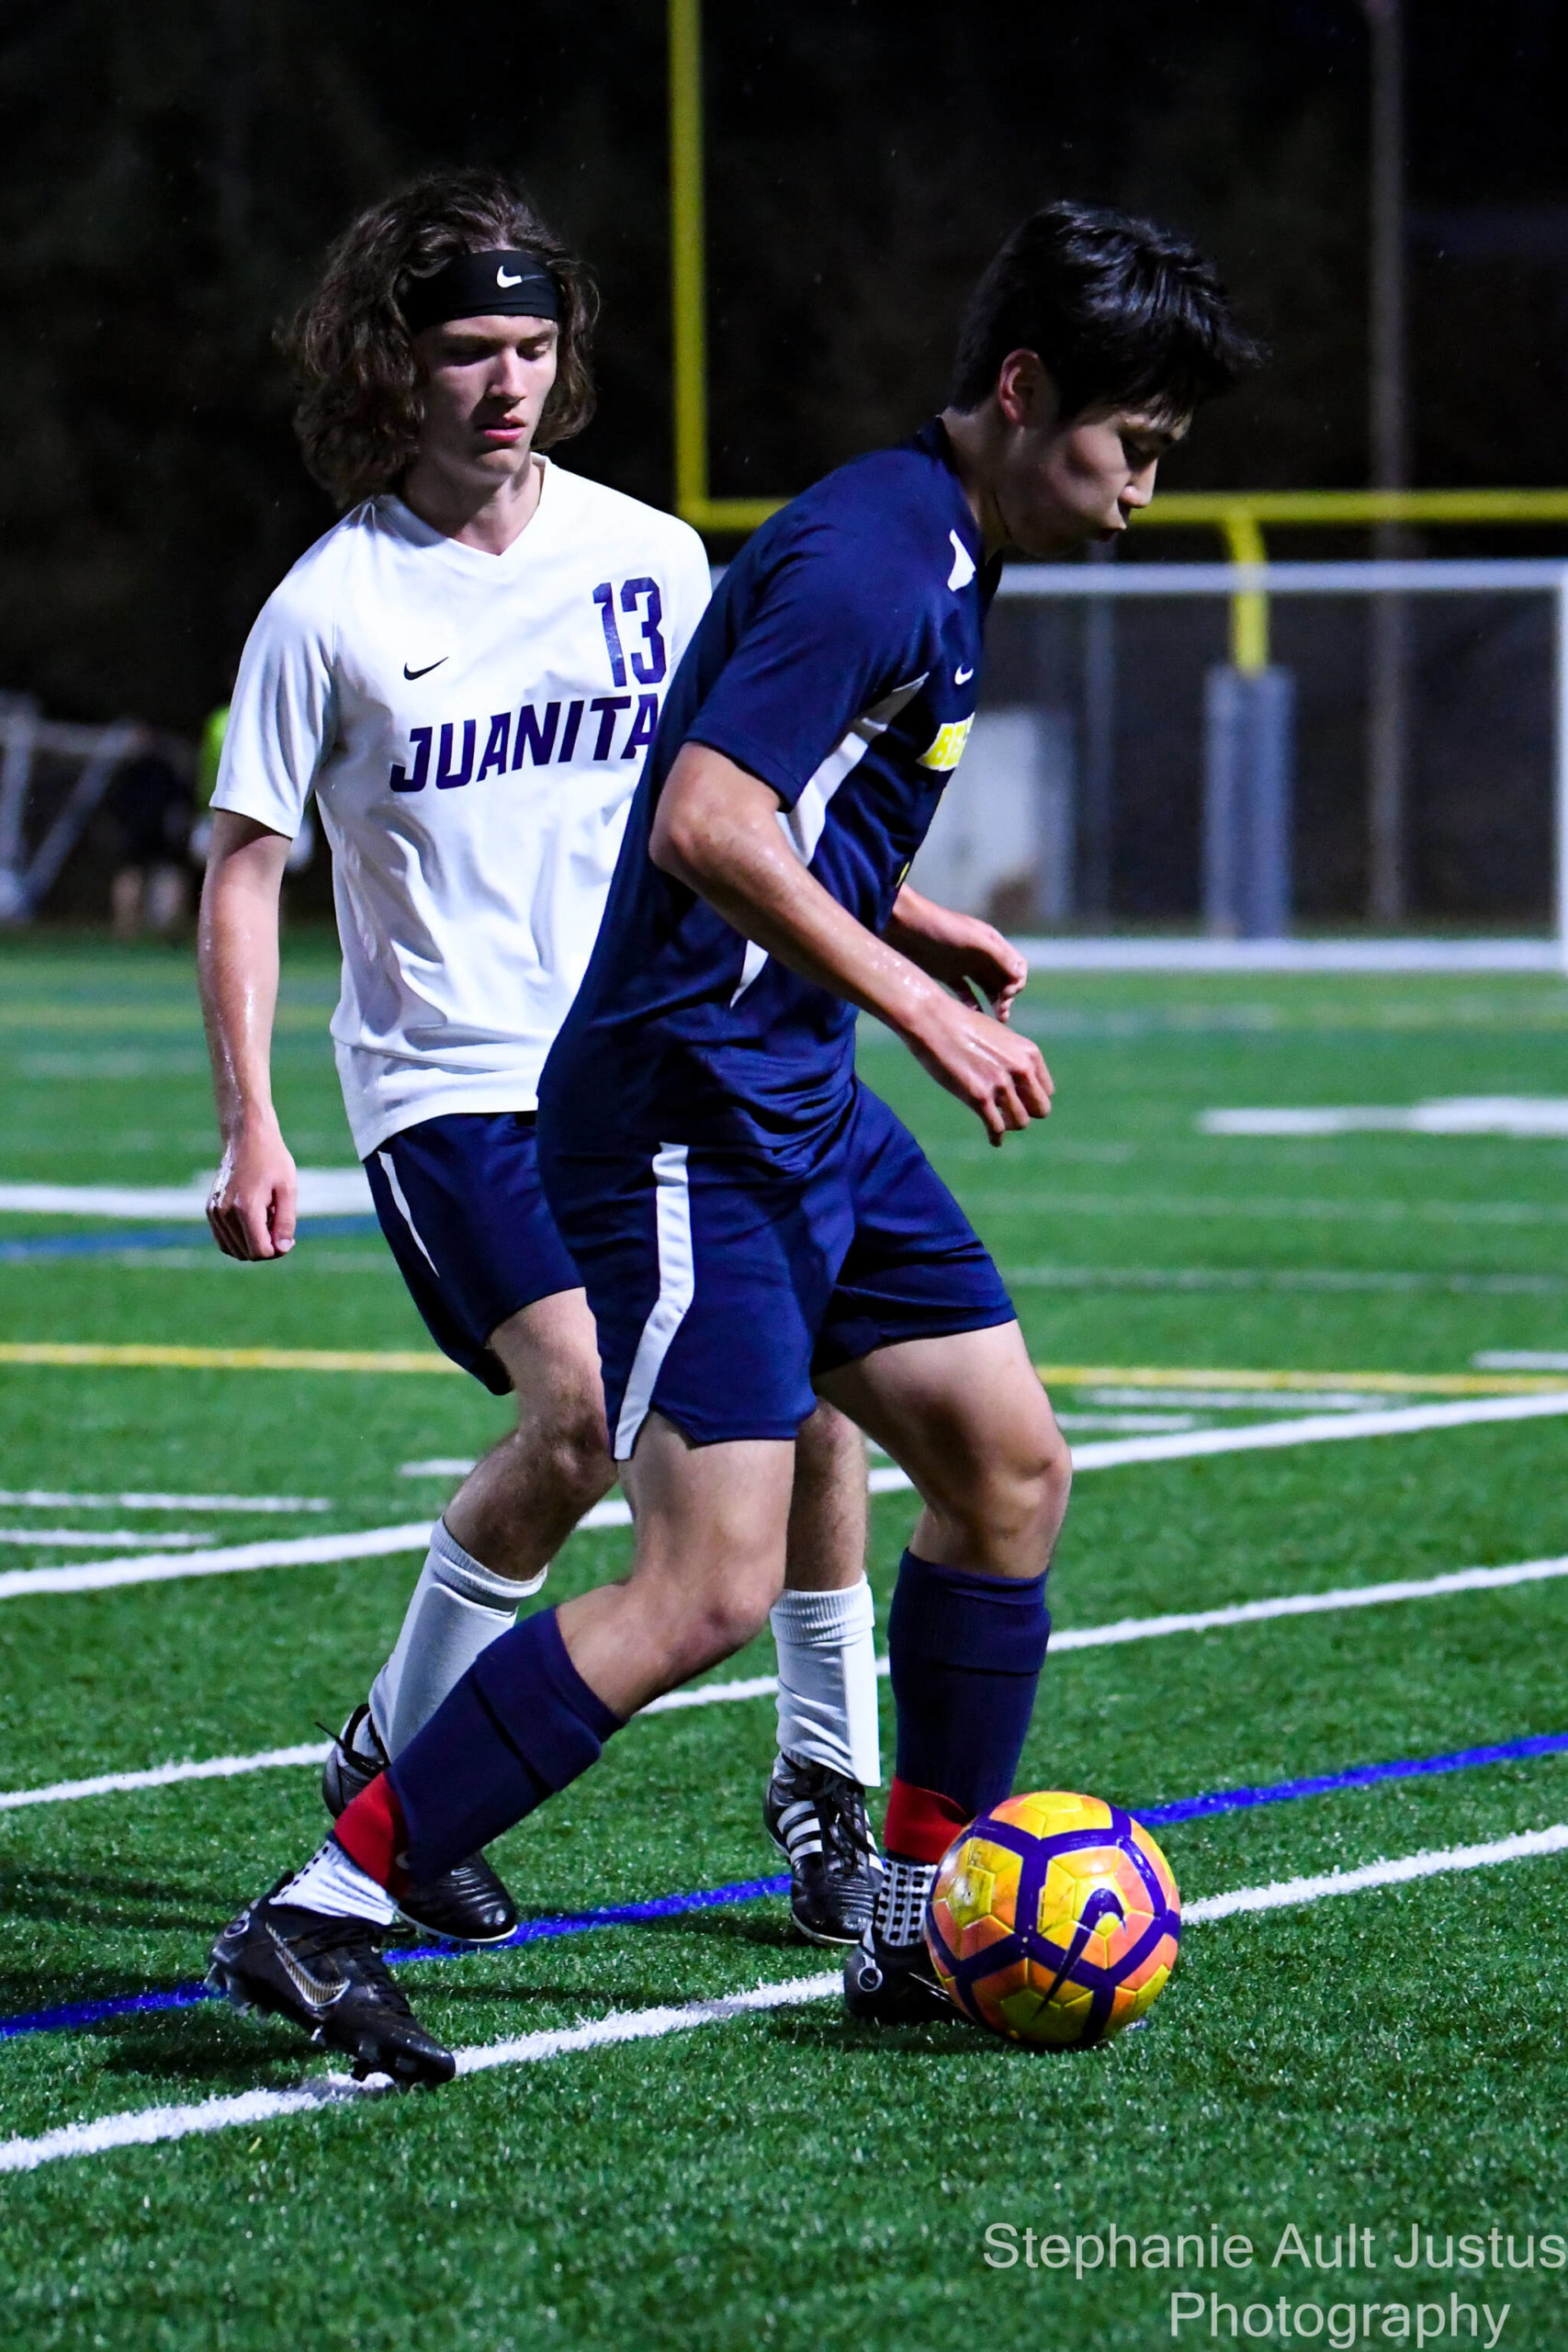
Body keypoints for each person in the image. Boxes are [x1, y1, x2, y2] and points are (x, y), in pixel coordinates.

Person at [209, 198, 1258, 2086]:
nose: (1141, 492)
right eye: (1131, 447)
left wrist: (904, 922)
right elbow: (702, 818)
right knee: (699, 1579)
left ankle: (920, 1918)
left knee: (1006, 1467)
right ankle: (326, 1906)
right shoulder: (879, 553)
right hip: (687, 1110)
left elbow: (741, 780)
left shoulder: (942, 539)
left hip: (790, 1096)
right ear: (1021, 396)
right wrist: (919, 1002)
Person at [197, 168, 886, 1963]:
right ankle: (403, 1772)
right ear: (389, 367)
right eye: (464, 352)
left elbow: (751, 798)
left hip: (652, 1063)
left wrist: (911, 924)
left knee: (807, 1383)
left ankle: (828, 1787)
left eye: (531, 343)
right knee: (576, 1408)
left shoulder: (653, 562)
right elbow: (245, 865)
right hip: (450, 1092)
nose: (504, 381)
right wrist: (253, 1120)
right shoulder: (330, 606)